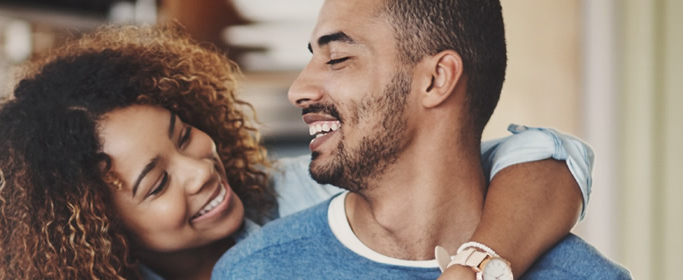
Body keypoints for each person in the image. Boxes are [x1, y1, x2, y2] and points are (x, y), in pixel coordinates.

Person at [0, 25, 592, 280]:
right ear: (98, 234)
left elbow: (545, 156)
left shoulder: (302, 194)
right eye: (155, 184)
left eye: (181, 134)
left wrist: (479, 265)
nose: (200, 170)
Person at [211, 0, 629, 279]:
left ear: (435, 79)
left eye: (337, 58)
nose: (298, 89)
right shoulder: (253, 270)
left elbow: (552, 153)